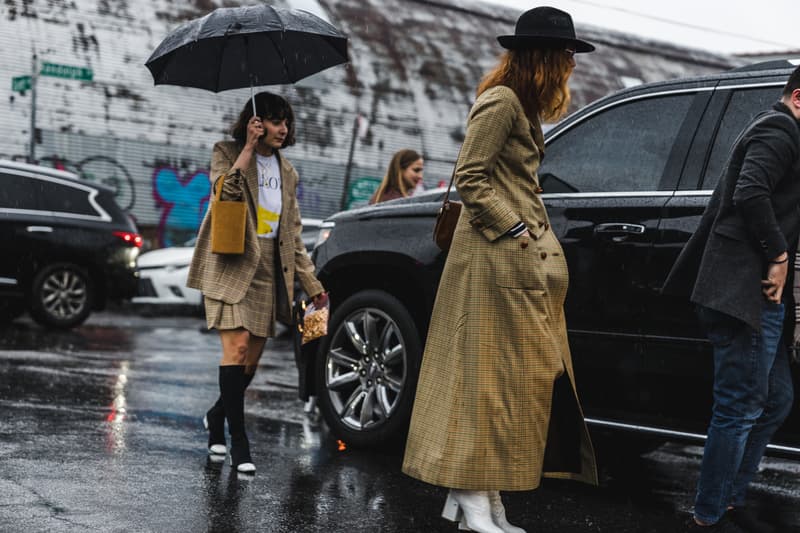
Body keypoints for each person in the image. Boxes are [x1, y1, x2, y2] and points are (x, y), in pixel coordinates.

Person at [401, 7, 598, 533]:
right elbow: (470, 175)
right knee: (480, 382)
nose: (571, 66)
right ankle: (471, 498)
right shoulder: (501, 101)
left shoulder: (521, 107)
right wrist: (514, 227)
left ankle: (480, 499)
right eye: (566, 56)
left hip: (507, 268)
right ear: (545, 58)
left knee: (500, 385)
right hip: (489, 263)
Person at [663, 67, 800, 532]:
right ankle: (709, 512)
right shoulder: (778, 129)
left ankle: (728, 497)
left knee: (776, 399)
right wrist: (778, 254)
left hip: (763, 298)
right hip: (743, 291)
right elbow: (750, 192)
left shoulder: (783, 132)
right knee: (739, 405)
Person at [187, 92, 327, 473]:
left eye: (286, 122)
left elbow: (292, 234)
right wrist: (246, 150)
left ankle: (217, 417)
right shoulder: (226, 152)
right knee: (237, 349)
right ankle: (240, 444)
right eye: (274, 120)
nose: (283, 129)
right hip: (231, 262)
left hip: (270, 268)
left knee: (249, 363)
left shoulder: (288, 172)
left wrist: (312, 284)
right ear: (255, 122)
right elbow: (223, 195)